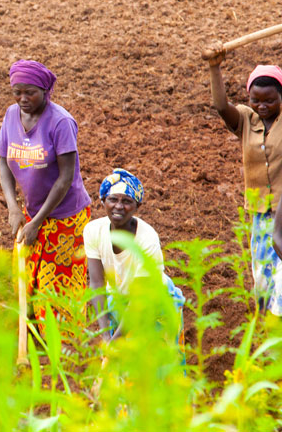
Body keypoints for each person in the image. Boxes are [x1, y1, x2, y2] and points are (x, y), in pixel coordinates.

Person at [0, 59, 91, 324]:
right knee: (26, 275)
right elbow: (4, 160)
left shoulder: (61, 122)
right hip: (32, 211)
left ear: (45, 92)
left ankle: (62, 345)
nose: (22, 99)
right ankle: (31, 335)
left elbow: (65, 178)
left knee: (57, 285)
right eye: (17, 92)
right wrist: (14, 208)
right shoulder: (11, 115)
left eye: (30, 92)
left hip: (65, 216)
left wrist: (36, 222)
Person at [204, 42, 282, 315]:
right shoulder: (247, 120)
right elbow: (220, 105)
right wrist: (215, 67)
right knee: (263, 280)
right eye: (256, 99)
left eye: (270, 100)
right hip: (261, 213)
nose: (262, 106)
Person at [85, 169, 185, 345]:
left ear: (137, 206)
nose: (118, 206)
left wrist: (115, 341)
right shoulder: (93, 231)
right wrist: (106, 335)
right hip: (118, 301)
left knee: (155, 366)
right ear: (103, 202)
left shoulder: (147, 239)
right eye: (113, 199)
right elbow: (97, 284)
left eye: (127, 201)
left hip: (154, 304)